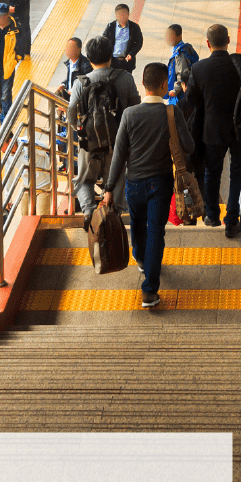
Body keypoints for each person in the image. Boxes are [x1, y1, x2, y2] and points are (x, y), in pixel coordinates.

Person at [100, 62, 197, 309]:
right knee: (156, 232)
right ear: (165, 85)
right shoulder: (172, 113)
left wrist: (109, 189)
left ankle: (141, 259)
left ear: (143, 84)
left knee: (137, 225)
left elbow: (119, 155)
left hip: (133, 184)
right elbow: (189, 146)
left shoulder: (129, 114)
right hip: (160, 184)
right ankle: (149, 291)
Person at [183, 24, 241, 234]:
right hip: (240, 128)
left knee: (212, 172)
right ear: (228, 40)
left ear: (208, 43)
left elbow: (191, 99)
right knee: (238, 172)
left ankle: (212, 214)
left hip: (212, 129)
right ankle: (232, 217)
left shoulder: (199, 68)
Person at [69, 35, 140, 210]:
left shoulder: (81, 82)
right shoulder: (125, 78)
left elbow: (71, 111)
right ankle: (115, 214)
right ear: (111, 56)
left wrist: (80, 128)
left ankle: (88, 211)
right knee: (117, 179)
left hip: (90, 143)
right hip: (118, 142)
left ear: (89, 59)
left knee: (84, 180)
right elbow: (135, 109)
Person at [101, 4, 145, 72]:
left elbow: (139, 42)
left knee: (126, 78)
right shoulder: (111, 26)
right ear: (116, 15)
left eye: (124, 14)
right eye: (119, 15)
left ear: (128, 14)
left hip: (127, 62)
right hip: (113, 61)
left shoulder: (134, 27)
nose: (122, 17)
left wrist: (132, 53)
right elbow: (103, 41)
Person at [163, 24, 198, 106]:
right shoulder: (186, 49)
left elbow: (181, 73)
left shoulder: (180, 54)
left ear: (179, 37)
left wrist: (174, 91)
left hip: (179, 96)